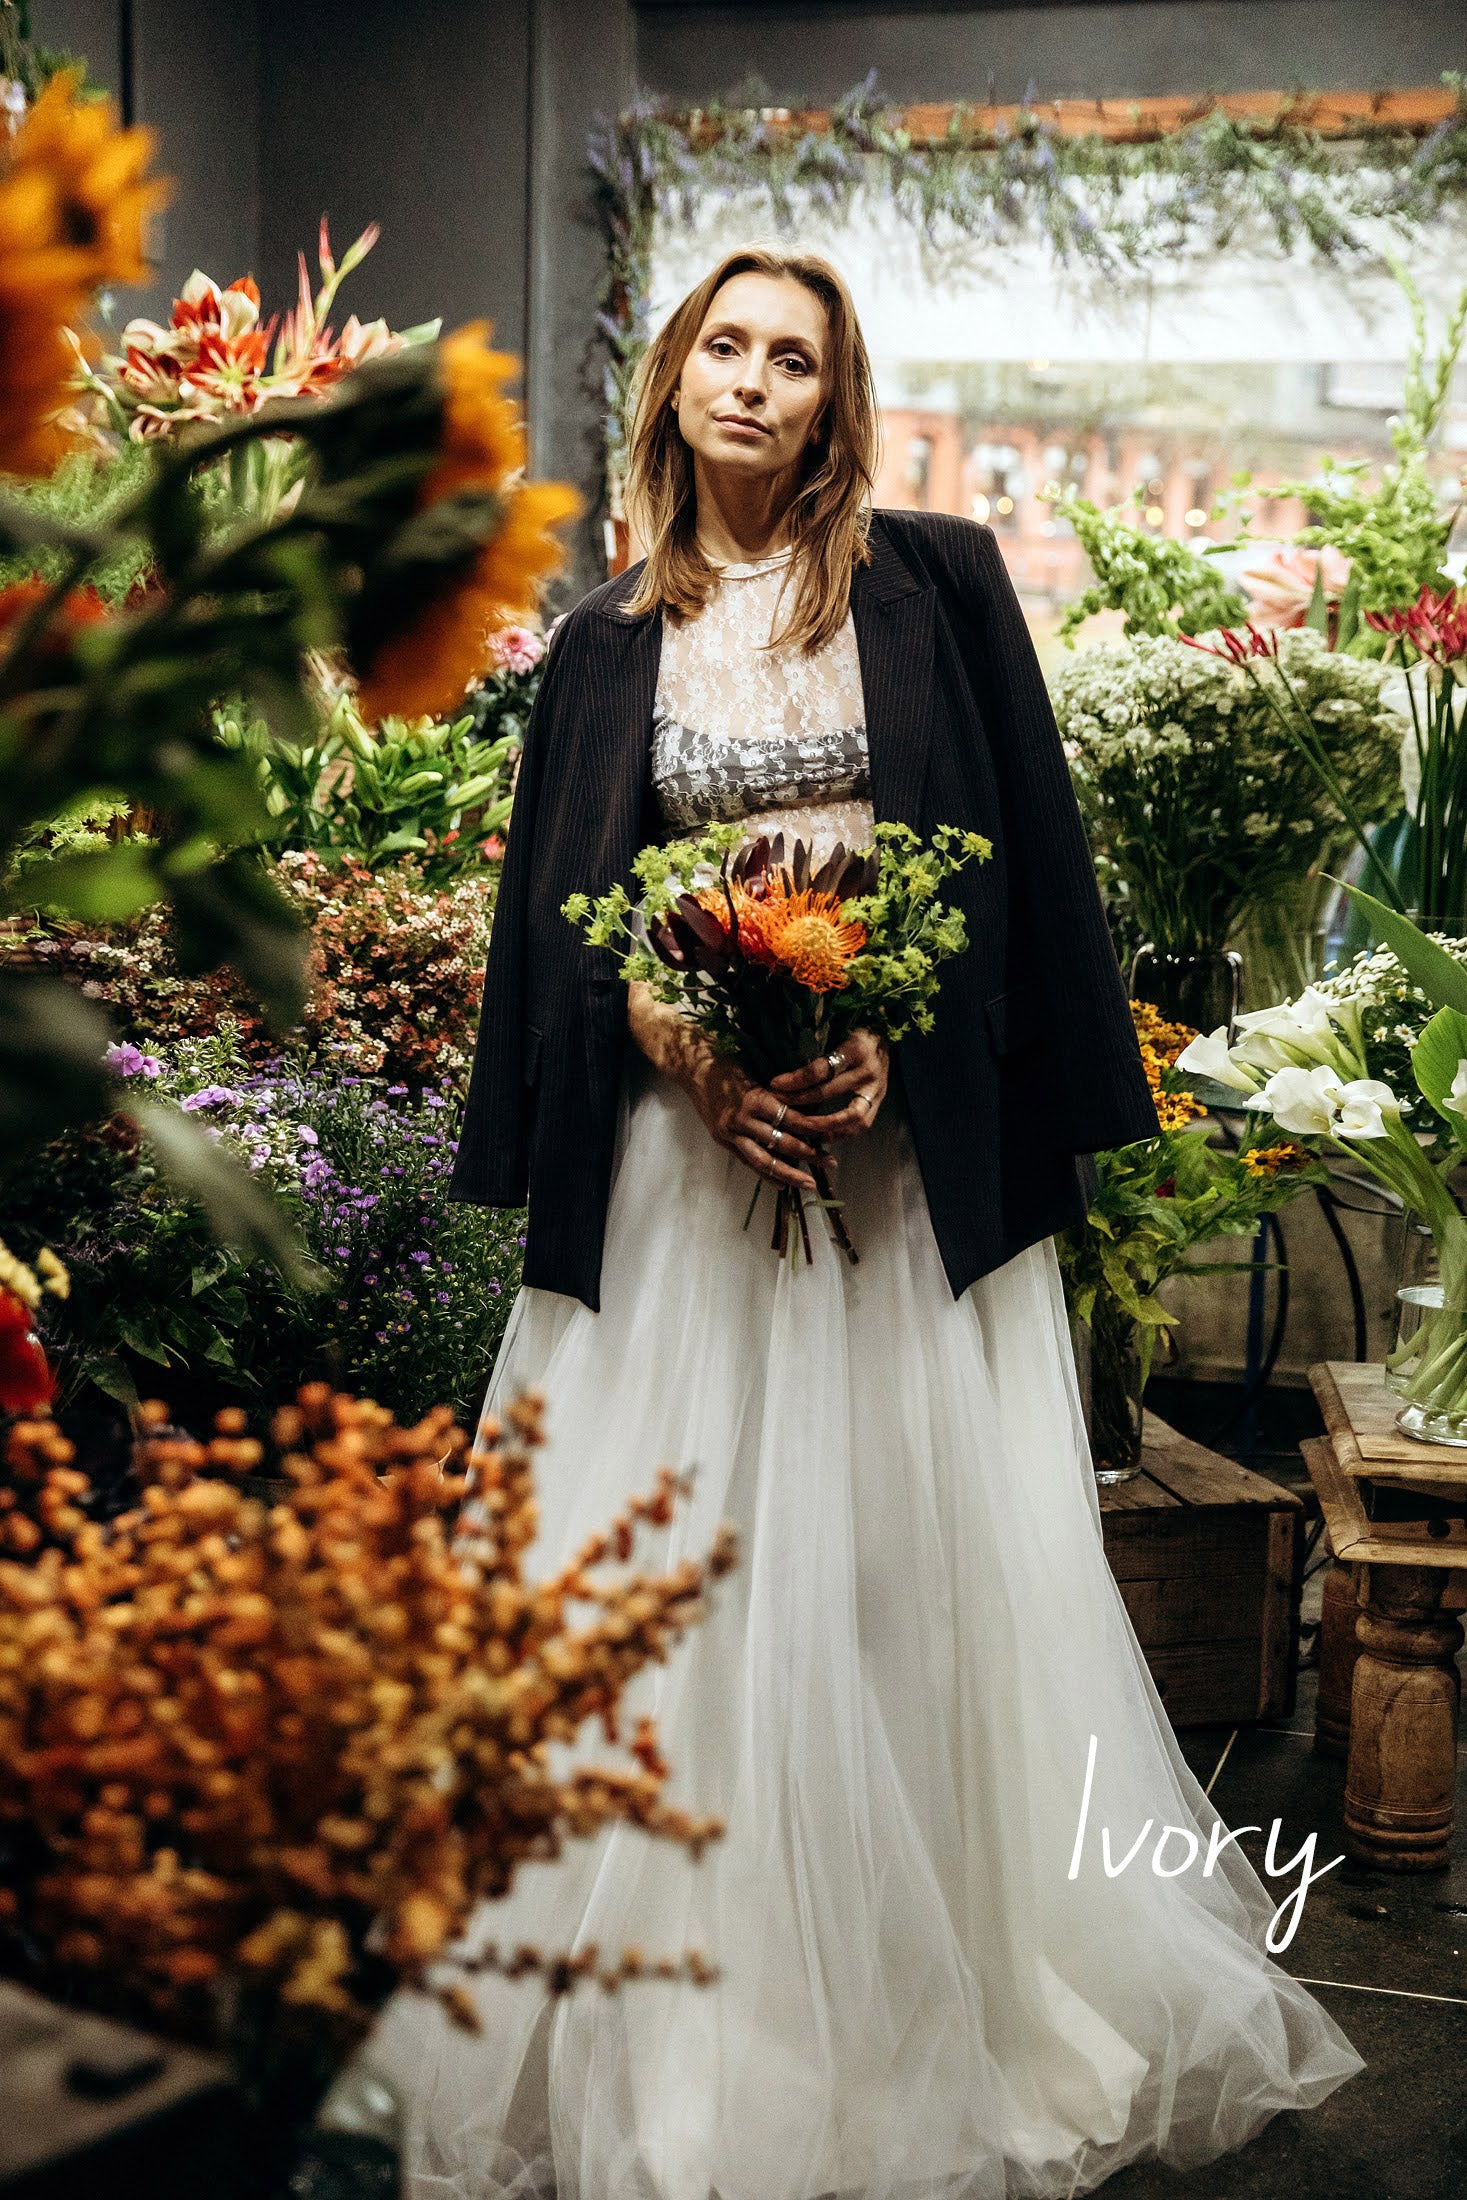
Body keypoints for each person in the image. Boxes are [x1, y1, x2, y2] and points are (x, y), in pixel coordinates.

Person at [374, 245, 1363, 2200]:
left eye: (793, 360)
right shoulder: (598, 642)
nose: (752, 382)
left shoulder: (934, 582)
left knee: (889, 1582)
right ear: (670, 381)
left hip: (892, 1169)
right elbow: (568, 925)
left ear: (835, 401)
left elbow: (1012, 860)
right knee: (674, 1587)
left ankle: (923, 1991)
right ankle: (685, 2022)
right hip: (678, 1189)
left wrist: (891, 1057)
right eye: (723, 347)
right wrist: (681, 1040)